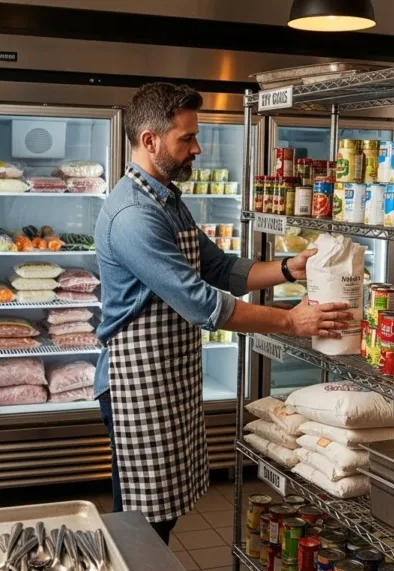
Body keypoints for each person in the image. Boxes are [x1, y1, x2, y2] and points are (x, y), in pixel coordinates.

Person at [94, 82, 352, 544]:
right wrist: (292, 321)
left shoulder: (167, 199)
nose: (198, 148)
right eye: (186, 138)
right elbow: (202, 301)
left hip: (167, 375)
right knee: (141, 519)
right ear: (150, 140)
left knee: (162, 513)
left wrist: (291, 268)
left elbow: (218, 267)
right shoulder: (133, 214)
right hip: (136, 381)